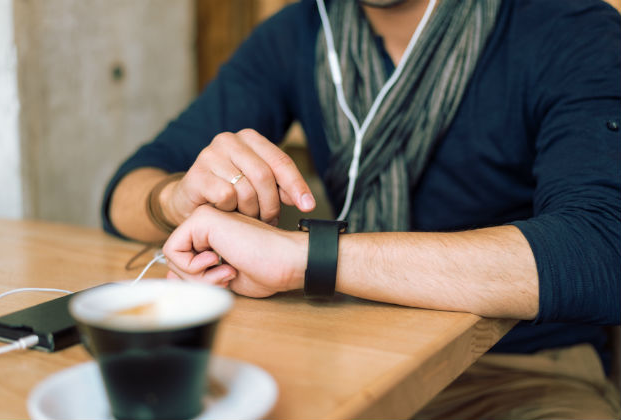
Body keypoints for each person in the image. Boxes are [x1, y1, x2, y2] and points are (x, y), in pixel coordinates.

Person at [103, 0, 621, 418]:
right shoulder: (302, 30)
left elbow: (604, 250)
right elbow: (123, 194)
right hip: (342, 357)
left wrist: (305, 258)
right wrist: (176, 198)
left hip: (519, 372)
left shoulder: (569, 25)